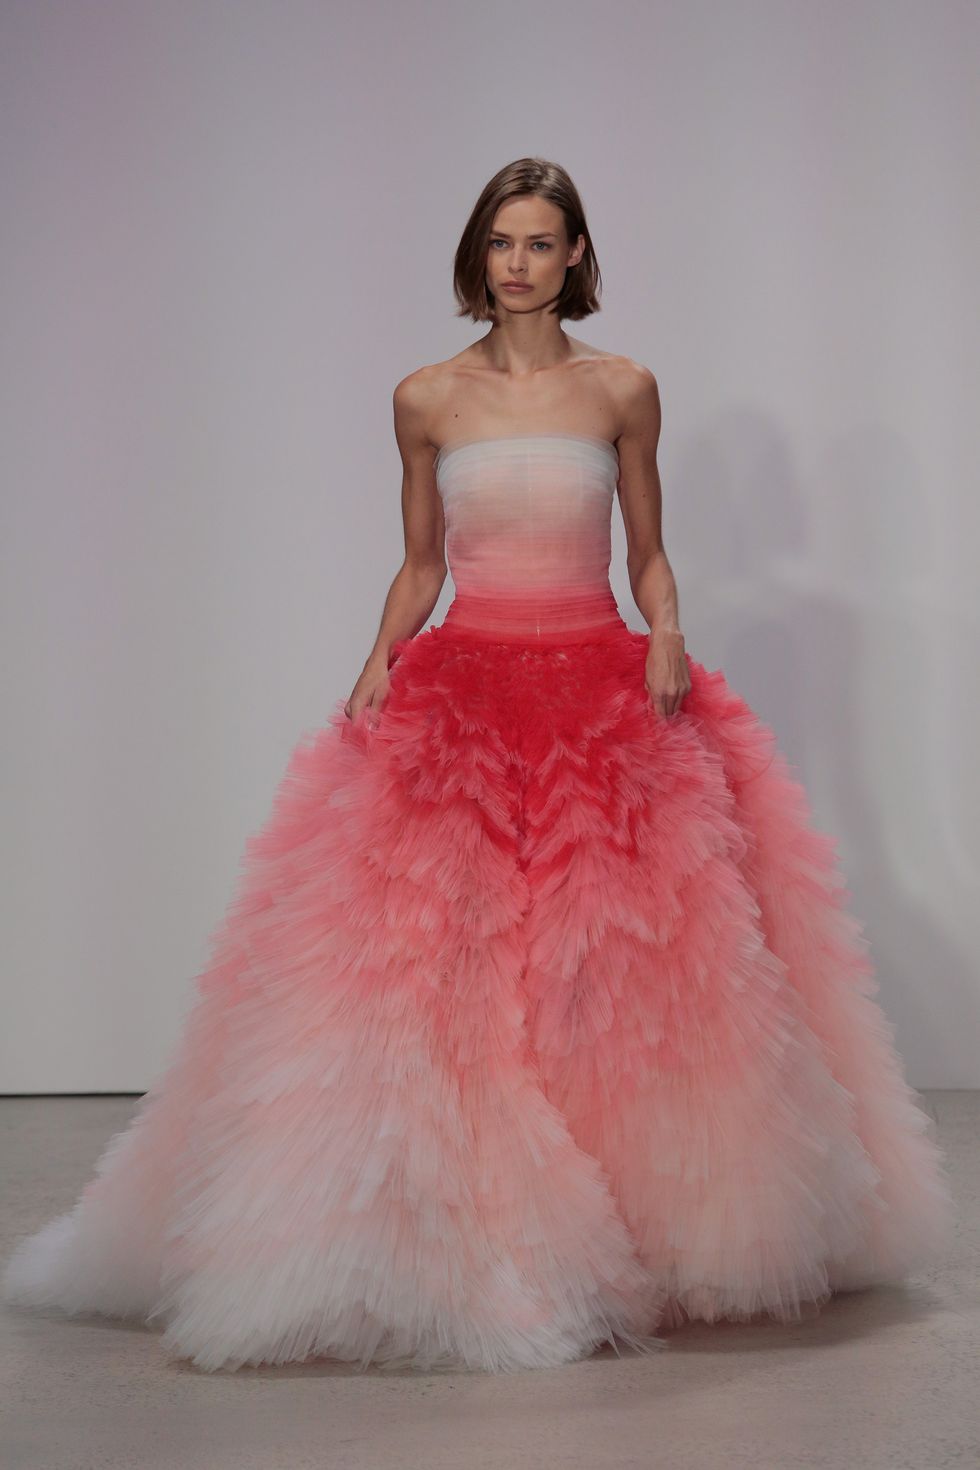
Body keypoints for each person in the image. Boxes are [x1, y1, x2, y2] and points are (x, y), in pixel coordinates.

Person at [1, 156, 953, 1375]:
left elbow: (647, 553)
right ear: (477, 253)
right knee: (427, 972)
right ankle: (465, 1222)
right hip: (461, 699)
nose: (517, 262)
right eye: (501, 241)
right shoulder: (424, 398)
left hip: (601, 696)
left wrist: (666, 628)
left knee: (624, 982)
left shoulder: (622, 390)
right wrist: (374, 660)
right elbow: (420, 564)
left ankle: (647, 1232)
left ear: (574, 257)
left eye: (541, 242)